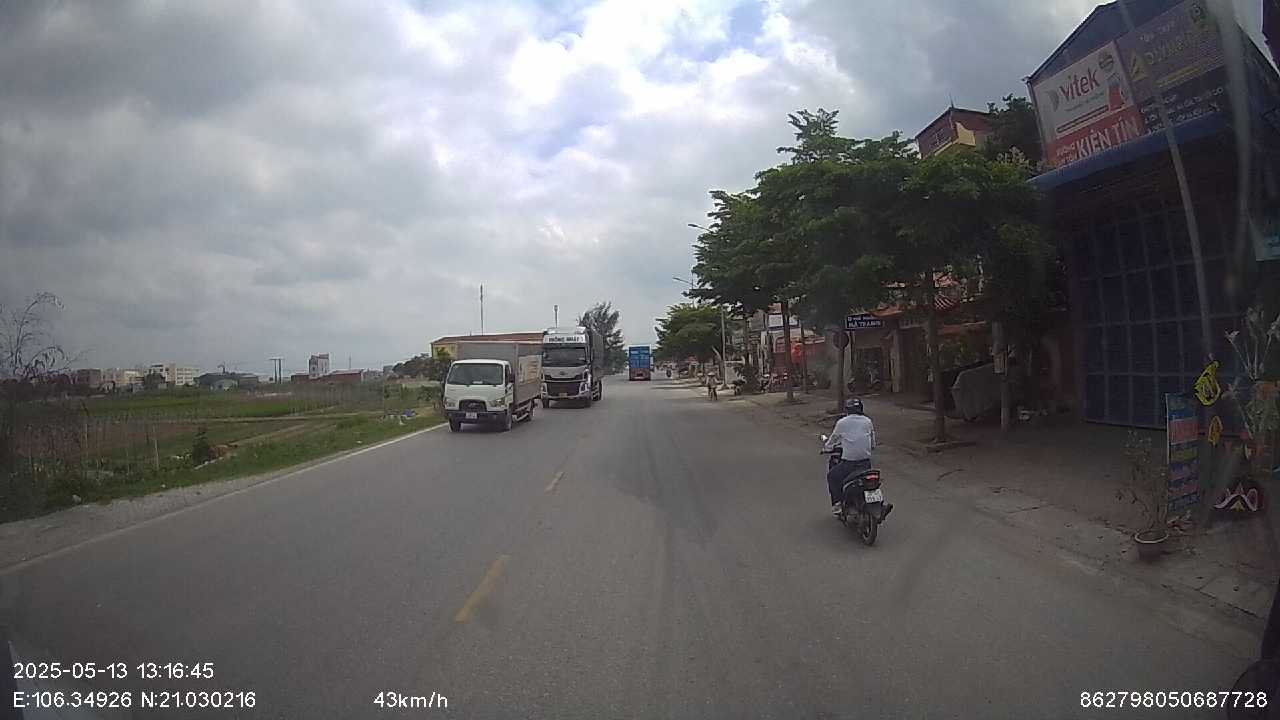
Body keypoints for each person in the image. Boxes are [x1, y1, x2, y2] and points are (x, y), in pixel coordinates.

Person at [823, 397, 875, 516]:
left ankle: (837, 504)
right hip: (866, 463)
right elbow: (872, 443)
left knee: (832, 477)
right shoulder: (868, 421)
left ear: (847, 410)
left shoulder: (842, 423)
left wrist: (827, 448)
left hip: (849, 463)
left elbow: (833, 439)